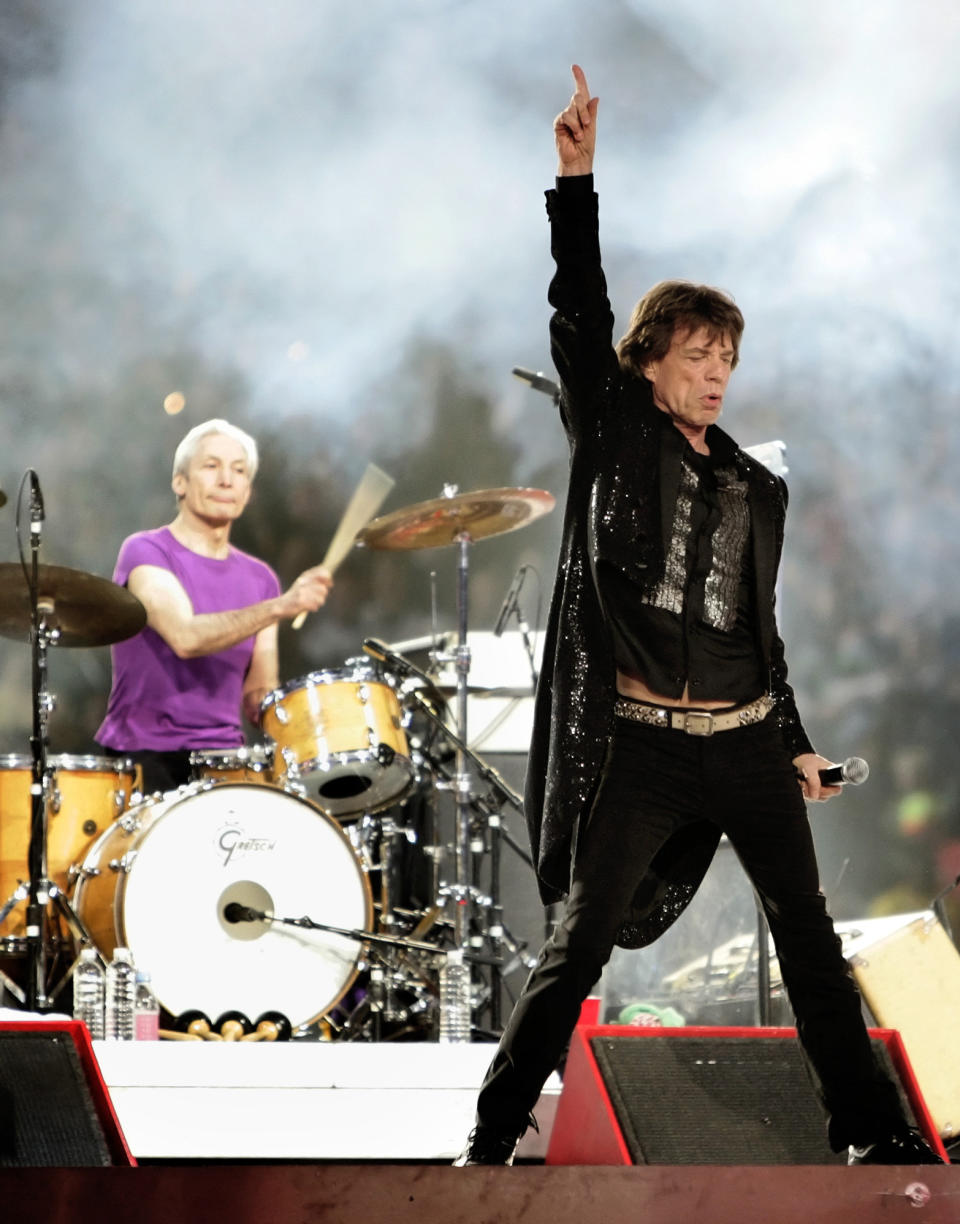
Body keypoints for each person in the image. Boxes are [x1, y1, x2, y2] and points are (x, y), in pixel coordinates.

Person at [456, 66, 943, 1167]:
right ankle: (488, 1140)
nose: (718, 376)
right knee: (576, 948)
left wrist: (799, 746)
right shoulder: (616, 435)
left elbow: (756, 637)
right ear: (650, 365)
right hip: (639, 747)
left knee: (810, 941)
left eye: (729, 359)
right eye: (698, 357)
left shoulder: (756, 488)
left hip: (744, 741)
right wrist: (573, 183)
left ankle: (868, 1134)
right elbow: (576, 306)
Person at [96, 418, 332, 793]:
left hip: (224, 762)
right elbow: (185, 637)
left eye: (239, 471)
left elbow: (258, 695)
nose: (227, 480)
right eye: (211, 466)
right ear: (180, 482)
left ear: (248, 490)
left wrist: (315, 714)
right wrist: (279, 606)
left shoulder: (261, 579)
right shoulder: (146, 551)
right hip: (145, 755)